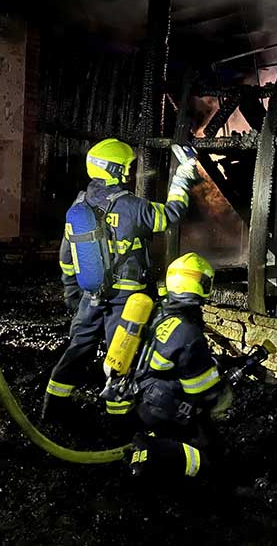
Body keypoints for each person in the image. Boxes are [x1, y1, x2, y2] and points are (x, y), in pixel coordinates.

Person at [42, 138, 200, 422]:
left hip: (91, 294)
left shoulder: (79, 206)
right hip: (126, 299)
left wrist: (72, 293)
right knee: (122, 355)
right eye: (125, 166)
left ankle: (52, 406)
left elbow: (67, 256)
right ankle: (118, 419)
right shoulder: (132, 206)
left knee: (78, 349)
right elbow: (171, 215)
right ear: (114, 169)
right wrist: (183, 174)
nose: (128, 172)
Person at [127, 252, 232, 480]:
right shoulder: (188, 333)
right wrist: (223, 396)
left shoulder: (161, 311)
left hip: (143, 396)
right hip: (164, 408)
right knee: (210, 456)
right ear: (202, 285)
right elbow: (203, 392)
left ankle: (156, 442)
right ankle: (153, 454)